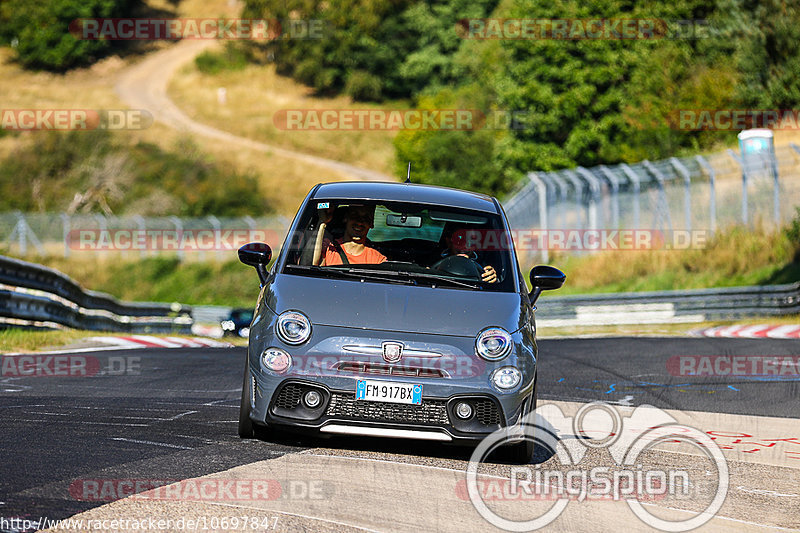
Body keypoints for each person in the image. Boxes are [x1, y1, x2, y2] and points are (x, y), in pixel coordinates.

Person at [312, 204, 387, 266]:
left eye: (366, 218)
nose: (359, 222)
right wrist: (323, 223)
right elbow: (313, 265)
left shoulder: (378, 260)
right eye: (354, 215)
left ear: (371, 223)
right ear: (345, 218)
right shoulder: (329, 247)